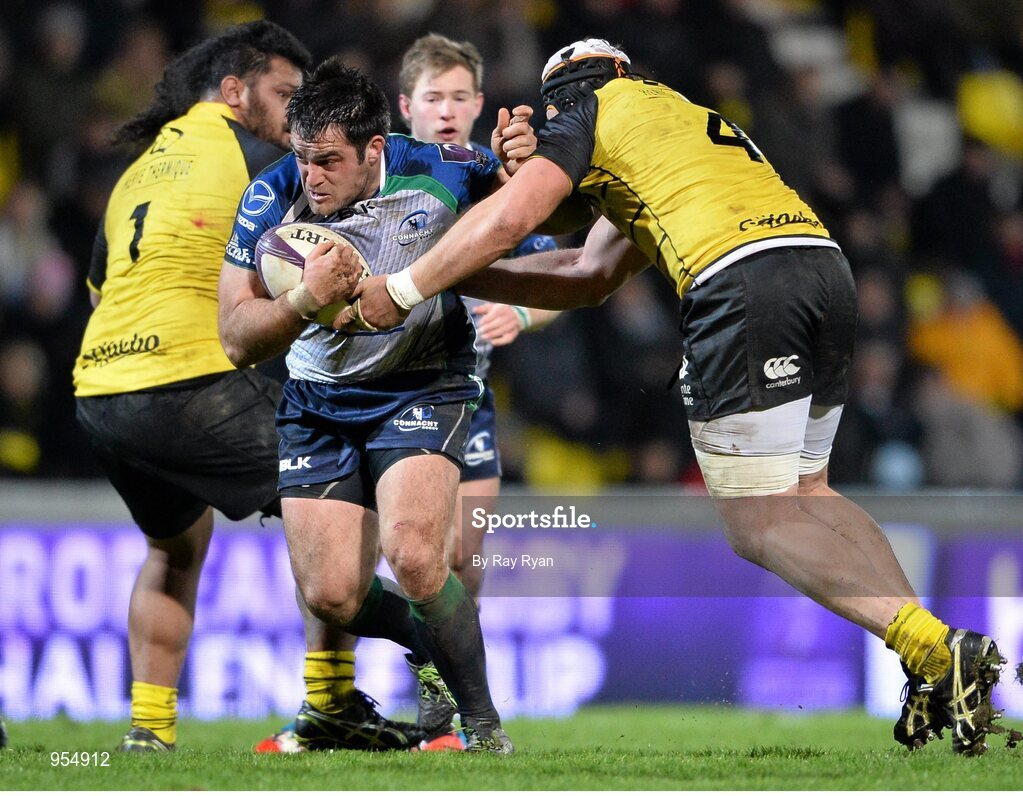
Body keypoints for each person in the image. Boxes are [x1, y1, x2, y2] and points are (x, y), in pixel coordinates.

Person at [350, 39, 1006, 755]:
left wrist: (406, 284)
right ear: (627, 69)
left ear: (556, 101)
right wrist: (468, 268)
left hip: (741, 287)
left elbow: (513, 220)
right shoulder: (676, 119)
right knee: (809, 492)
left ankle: (938, 648)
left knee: (755, 525)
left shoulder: (588, 110)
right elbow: (588, 271)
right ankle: (931, 660)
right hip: (823, 269)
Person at [73, 22, 427, 754]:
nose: (298, 115)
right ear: (235, 91)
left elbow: (97, 285)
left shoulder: (137, 171)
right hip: (188, 382)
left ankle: (149, 733)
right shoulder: (263, 159)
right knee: (344, 501)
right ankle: (337, 701)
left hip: (102, 390)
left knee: (173, 549)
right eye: (285, 95)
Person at [217, 56, 535, 754]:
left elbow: (538, 225)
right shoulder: (272, 195)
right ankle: (435, 649)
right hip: (317, 399)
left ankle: (481, 728)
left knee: (417, 555)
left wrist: (521, 166)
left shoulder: (449, 167)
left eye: (329, 160)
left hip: (422, 381)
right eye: (304, 159)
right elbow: (236, 338)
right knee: (331, 595)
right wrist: (304, 299)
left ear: (375, 150)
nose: (313, 177)